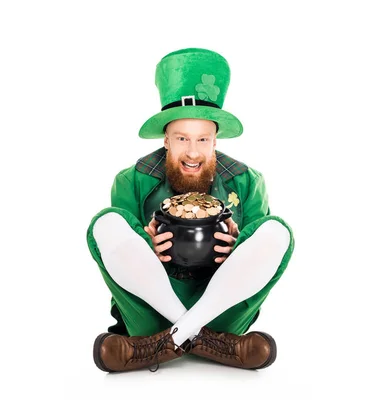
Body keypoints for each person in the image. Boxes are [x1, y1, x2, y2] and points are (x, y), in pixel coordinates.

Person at [87, 48, 294, 372]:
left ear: (216, 140)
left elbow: (261, 254)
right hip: (149, 314)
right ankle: (208, 342)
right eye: (182, 138)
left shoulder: (248, 180)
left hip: (224, 310)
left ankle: (159, 346)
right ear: (166, 139)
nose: (193, 152)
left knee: (276, 231)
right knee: (106, 223)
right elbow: (118, 254)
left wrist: (240, 247)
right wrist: (144, 244)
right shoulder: (131, 179)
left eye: (203, 139)